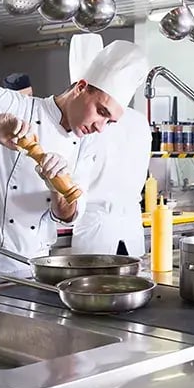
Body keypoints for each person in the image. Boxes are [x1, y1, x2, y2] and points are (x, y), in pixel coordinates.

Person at [0, 40, 150, 280]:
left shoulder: (87, 145)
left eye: (110, 121)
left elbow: (69, 213)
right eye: (101, 112)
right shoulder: (15, 106)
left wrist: (56, 189)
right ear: (81, 87)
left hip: (32, 268)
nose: (100, 127)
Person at [67, 35, 147, 257]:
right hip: (132, 231)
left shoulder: (87, 128)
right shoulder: (141, 121)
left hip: (95, 235)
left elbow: (73, 184)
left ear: (82, 87)